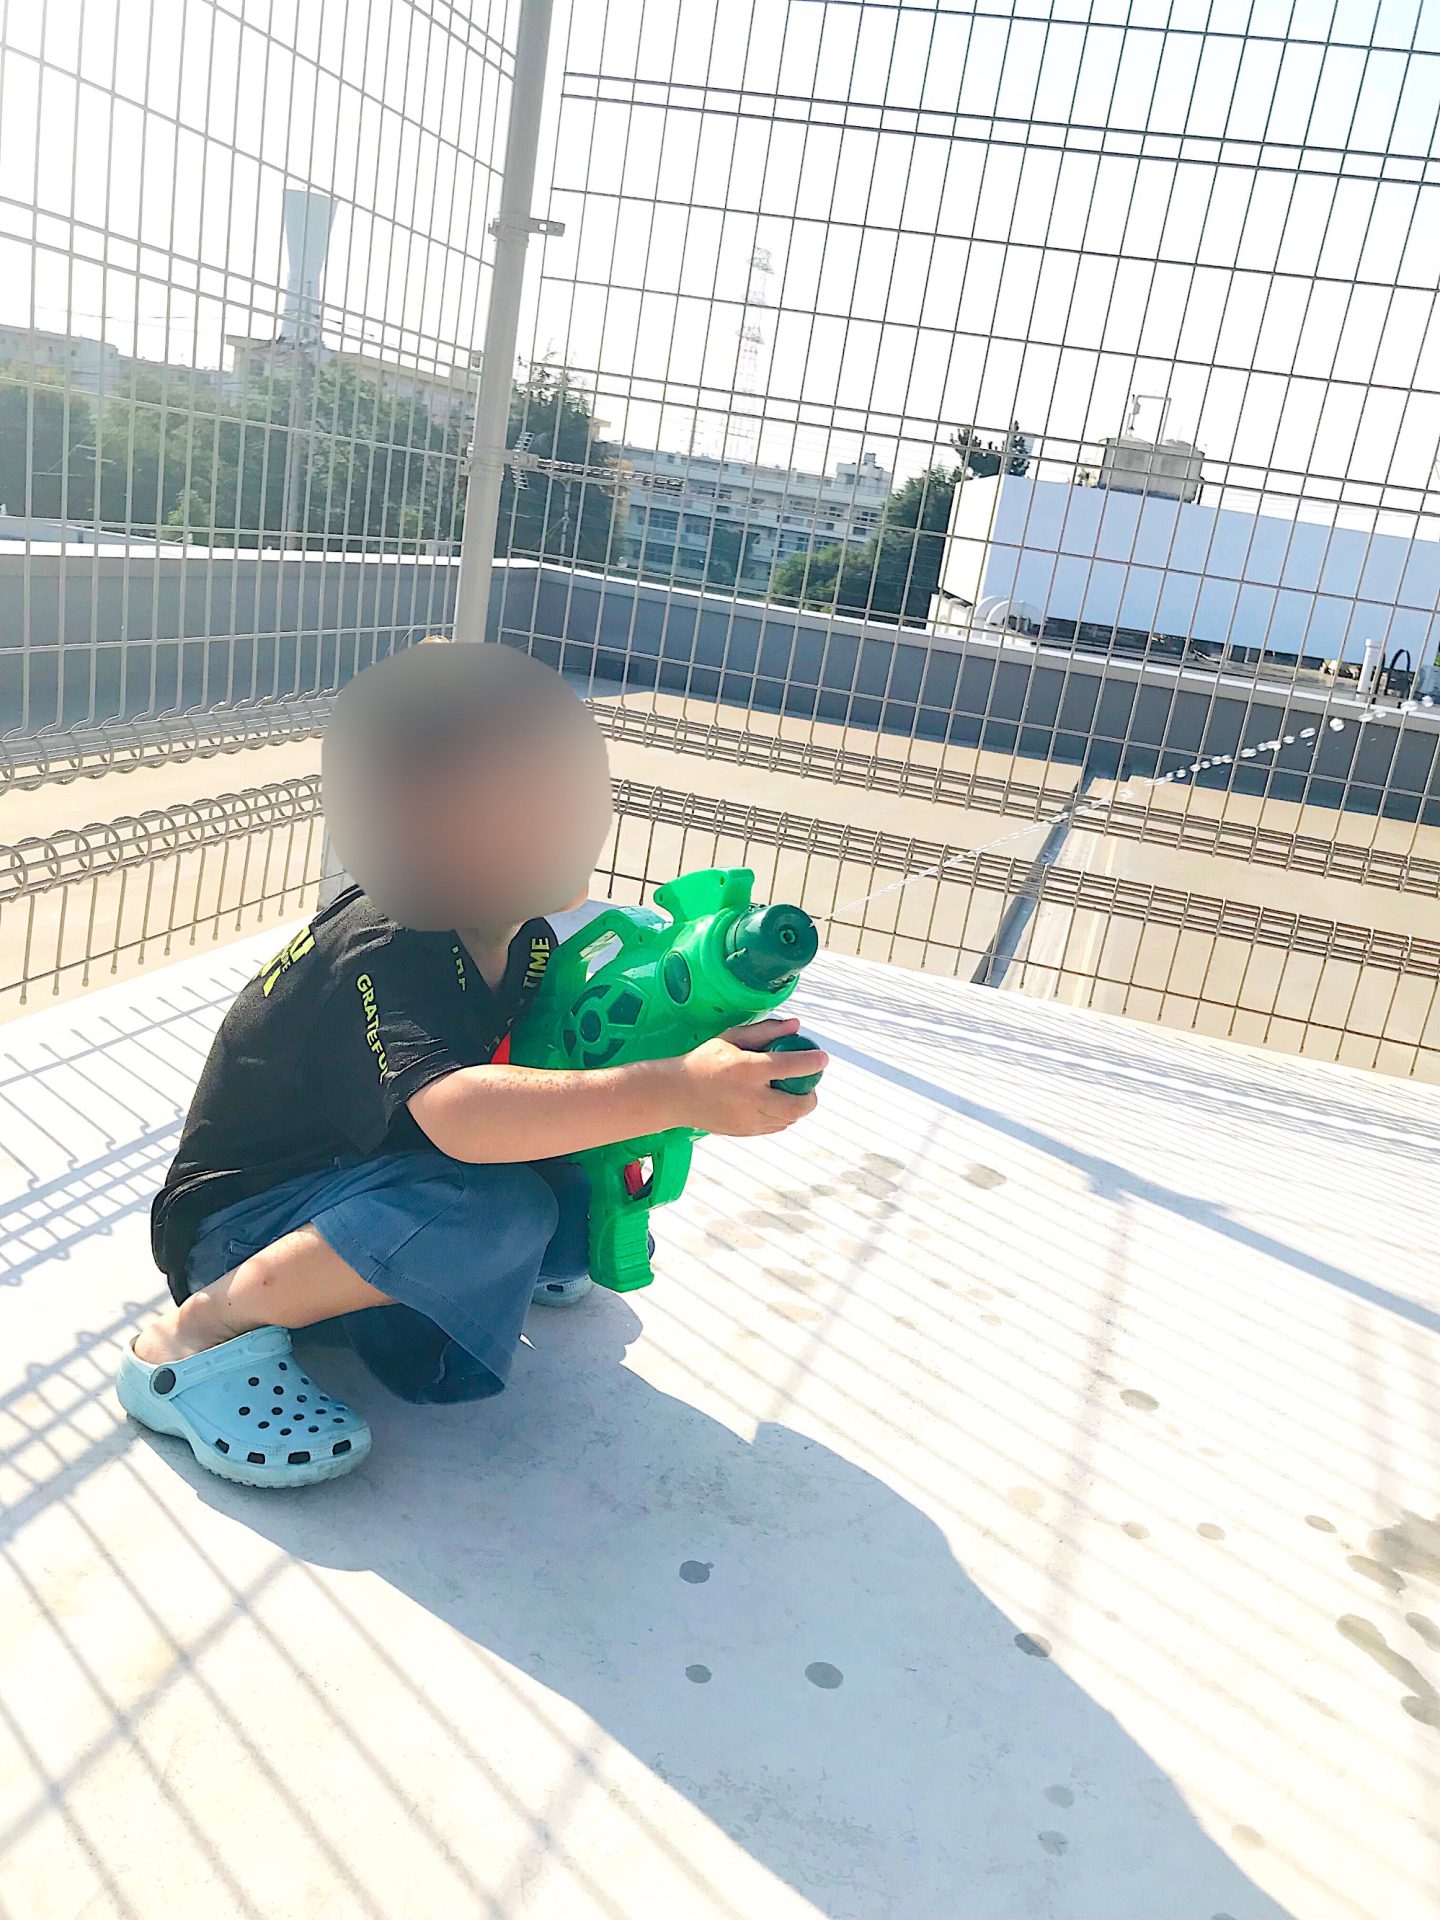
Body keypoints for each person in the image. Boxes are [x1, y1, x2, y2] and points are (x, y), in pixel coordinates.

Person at [117, 643, 825, 1488]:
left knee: (569, 1176)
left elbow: (539, 1066)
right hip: (242, 1229)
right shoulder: (396, 942)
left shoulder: (520, 935)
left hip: (357, 1183)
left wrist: (669, 1034)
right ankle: (193, 1344)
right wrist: (673, 1090)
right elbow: (460, 1114)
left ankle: (429, 1276)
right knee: (493, 1209)